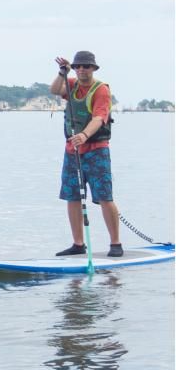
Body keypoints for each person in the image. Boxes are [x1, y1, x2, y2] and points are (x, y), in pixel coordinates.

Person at [50, 51, 122, 258]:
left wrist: (83, 135)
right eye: (78, 66)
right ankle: (78, 244)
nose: (82, 69)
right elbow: (55, 90)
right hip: (72, 152)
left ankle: (115, 243)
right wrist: (62, 72)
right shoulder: (71, 83)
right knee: (72, 196)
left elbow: (99, 118)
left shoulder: (101, 91)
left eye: (86, 66)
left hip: (97, 151)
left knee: (104, 197)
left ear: (93, 68)